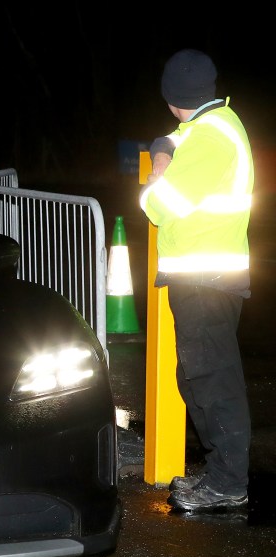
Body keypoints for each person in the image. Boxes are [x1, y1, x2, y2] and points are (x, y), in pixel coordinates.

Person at [139, 48, 255, 512]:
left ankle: (228, 483)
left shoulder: (209, 138)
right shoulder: (208, 125)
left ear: (171, 97)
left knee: (213, 381)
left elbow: (157, 205)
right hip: (202, 274)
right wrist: (163, 151)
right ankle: (221, 473)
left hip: (207, 276)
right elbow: (166, 139)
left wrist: (156, 177)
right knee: (196, 377)